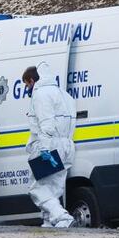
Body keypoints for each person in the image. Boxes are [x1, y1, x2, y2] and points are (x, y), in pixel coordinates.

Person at [23, 62, 77, 228]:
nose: (27, 89)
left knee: (37, 188)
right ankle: (49, 222)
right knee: (53, 188)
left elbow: (46, 124)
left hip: (48, 145)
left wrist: (45, 149)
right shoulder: (65, 95)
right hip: (67, 145)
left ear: (32, 80)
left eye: (27, 84)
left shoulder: (41, 94)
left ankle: (62, 217)